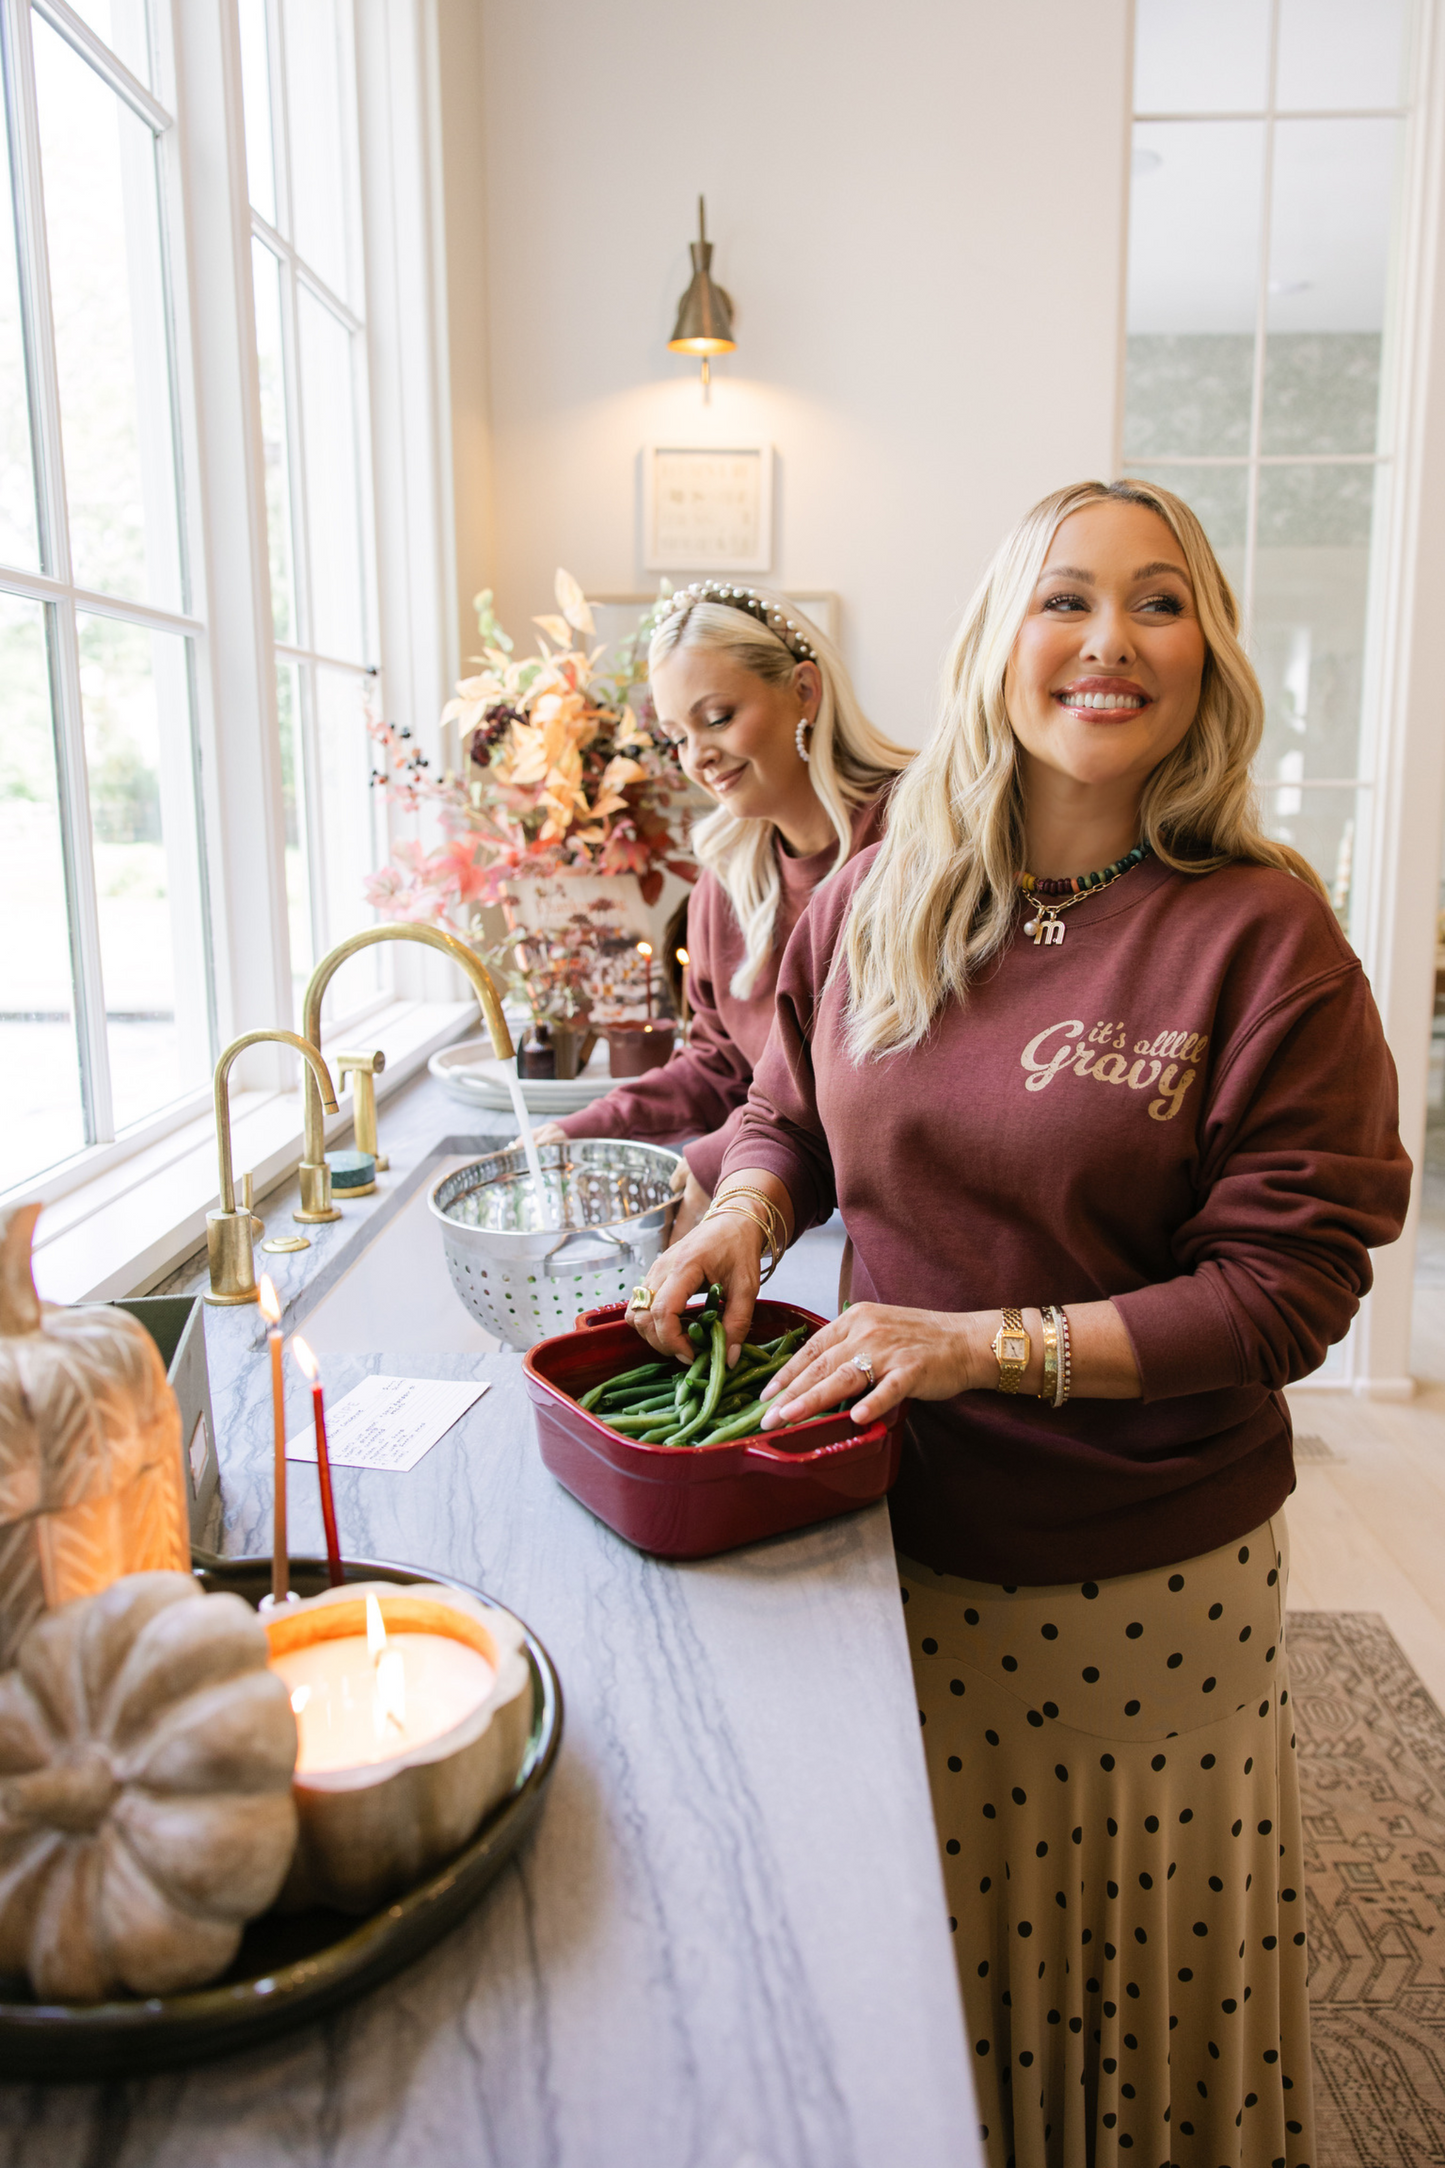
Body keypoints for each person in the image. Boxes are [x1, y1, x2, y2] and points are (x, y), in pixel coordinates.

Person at [625, 480, 1411, 2168]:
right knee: (934, 1959)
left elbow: (1290, 1290)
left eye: (1160, 602)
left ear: (1207, 656)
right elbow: (783, 1111)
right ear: (999, 641)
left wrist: (981, 1344)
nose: (1109, 641)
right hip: (876, 1530)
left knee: (1122, 1991)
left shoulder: (1266, 943)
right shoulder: (884, 883)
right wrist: (748, 1209)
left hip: (1138, 1576)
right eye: (1066, 598)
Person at [527, 583, 912, 1235]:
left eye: (717, 717)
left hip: (911, 1221)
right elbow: (718, 1068)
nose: (696, 758)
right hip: (805, 1201)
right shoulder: (726, 882)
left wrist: (713, 1160)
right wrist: (576, 1131)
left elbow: (878, 1077)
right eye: (677, 736)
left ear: (805, 692)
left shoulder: (919, 839)